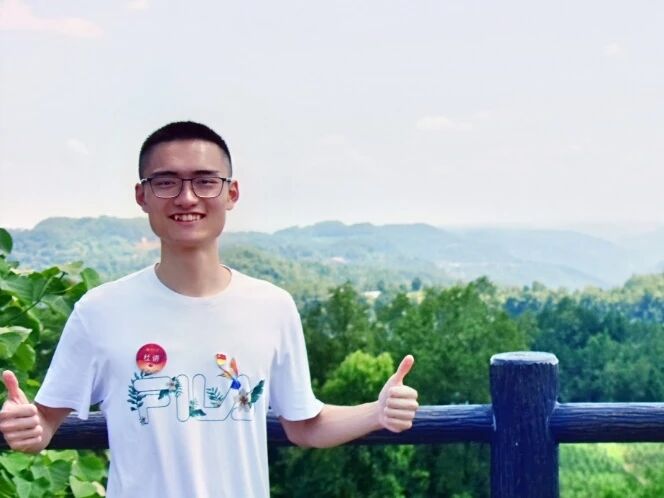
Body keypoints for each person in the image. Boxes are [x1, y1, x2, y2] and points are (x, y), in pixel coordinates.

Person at [0, 121, 419, 497]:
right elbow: (46, 422)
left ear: (231, 193)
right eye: (166, 182)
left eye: (205, 181)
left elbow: (304, 424)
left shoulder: (272, 307)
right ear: (142, 195)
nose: (187, 197)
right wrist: (27, 426)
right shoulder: (100, 312)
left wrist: (378, 412)